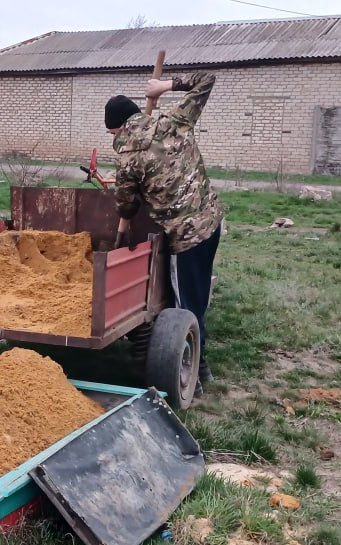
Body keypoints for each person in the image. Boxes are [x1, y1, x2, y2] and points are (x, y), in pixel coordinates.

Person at [105, 72, 222, 386]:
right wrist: (167, 86)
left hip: (185, 238)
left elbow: (126, 205)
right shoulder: (174, 120)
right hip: (212, 221)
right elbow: (206, 79)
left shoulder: (127, 157)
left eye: (111, 132)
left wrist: (123, 228)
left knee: (184, 306)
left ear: (115, 128)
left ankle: (191, 376)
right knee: (197, 296)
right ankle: (205, 368)